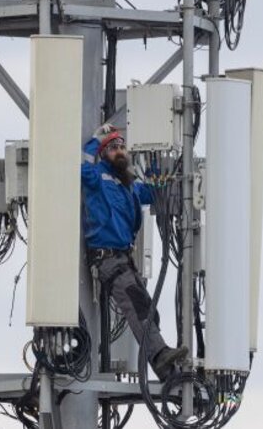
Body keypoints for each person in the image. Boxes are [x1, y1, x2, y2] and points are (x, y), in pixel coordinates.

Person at [81, 123, 188, 381]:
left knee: (149, 310)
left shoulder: (128, 184)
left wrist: (153, 159)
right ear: (103, 153)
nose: (119, 151)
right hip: (107, 258)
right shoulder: (97, 177)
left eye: (122, 146)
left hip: (123, 259)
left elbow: (153, 192)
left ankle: (166, 368)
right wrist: (96, 139)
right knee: (138, 306)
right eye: (112, 147)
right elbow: (81, 168)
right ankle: (160, 356)